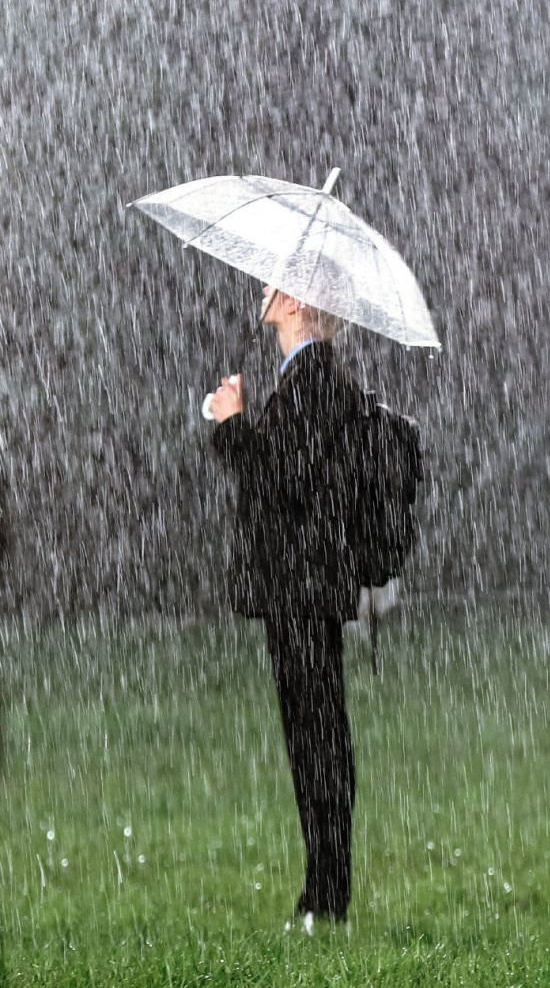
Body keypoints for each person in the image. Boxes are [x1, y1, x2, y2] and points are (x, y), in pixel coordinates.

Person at [207, 284, 364, 930]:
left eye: (276, 282)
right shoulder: (307, 380)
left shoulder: (313, 383)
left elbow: (285, 483)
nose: (263, 289)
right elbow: (287, 476)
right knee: (313, 735)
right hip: (302, 588)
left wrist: (231, 427)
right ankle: (323, 892)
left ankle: (325, 897)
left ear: (296, 302)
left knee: (316, 738)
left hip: (303, 590)